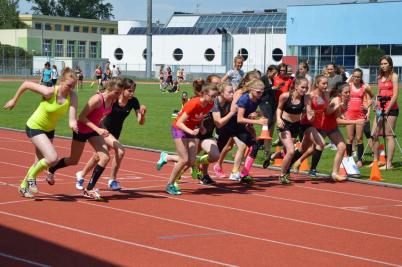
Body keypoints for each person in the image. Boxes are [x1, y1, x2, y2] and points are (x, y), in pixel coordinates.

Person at [3, 68, 78, 198]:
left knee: (39, 163)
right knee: (52, 158)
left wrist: (73, 124)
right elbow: (26, 84)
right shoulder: (49, 92)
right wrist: (14, 100)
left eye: (73, 86)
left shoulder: (72, 96)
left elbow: (72, 118)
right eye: (68, 85)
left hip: (49, 130)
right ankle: (32, 177)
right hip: (34, 126)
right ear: (61, 81)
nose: (70, 88)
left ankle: (23, 186)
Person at [46, 77, 124, 200]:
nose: (118, 96)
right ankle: (52, 169)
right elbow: (82, 117)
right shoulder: (97, 99)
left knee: (104, 157)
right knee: (73, 160)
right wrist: (98, 129)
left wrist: (102, 128)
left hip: (93, 131)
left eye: (120, 93)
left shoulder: (112, 101)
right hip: (81, 130)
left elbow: (98, 119)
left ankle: (89, 189)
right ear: (109, 88)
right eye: (116, 93)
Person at [75, 78, 146, 191]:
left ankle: (81, 175)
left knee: (99, 156)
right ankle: (112, 180)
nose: (132, 93)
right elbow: (101, 112)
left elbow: (140, 122)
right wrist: (97, 128)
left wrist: (142, 114)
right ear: (122, 90)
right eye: (129, 90)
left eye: (133, 91)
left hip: (116, 132)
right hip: (105, 129)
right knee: (120, 150)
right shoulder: (114, 100)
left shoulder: (133, 101)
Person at [163, 83, 218, 195]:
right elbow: (179, 123)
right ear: (204, 94)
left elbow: (201, 115)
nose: (214, 99)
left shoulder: (209, 104)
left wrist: (201, 126)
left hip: (190, 129)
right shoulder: (193, 103)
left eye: (215, 96)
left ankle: (166, 157)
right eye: (212, 96)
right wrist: (191, 131)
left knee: (191, 160)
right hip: (179, 129)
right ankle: (170, 184)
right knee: (183, 159)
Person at [276, 77, 308, 184]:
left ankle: (280, 162)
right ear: (296, 86)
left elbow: (309, 109)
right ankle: (282, 175)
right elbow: (279, 108)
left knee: (286, 152)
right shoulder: (285, 96)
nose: (304, 90)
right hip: (284, 125)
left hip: (296, 126)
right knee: (291, 151)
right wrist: (279, 119)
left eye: (306, 88)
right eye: (302, 87)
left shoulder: (305, 98)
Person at [372, 56, 399, 170]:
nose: (383, 65)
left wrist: (387, 110)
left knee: (388, 135)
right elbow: (379, 93)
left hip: (391, 109)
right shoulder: (379, 77)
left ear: (390, 64)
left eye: (385, 63)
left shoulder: (394, 76)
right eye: (381, 63)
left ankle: (389, 163)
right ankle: (376, 161)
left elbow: (395, 94)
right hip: (380, 108)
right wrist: (375, 104)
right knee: (374, 134)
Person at [344, 68, 373, 167]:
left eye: (358, 77)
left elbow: (372, 97)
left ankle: (360, 160)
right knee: (350, 138)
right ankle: (349, 158)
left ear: (361, 77)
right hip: (349, 115)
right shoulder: (349, 85)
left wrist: (367, 106)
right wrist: (350, 78)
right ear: (352, 76)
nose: (356, 78)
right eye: (354, 76)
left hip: (360, 115)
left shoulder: (364, 87)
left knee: (359, 138)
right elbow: (342, 85)